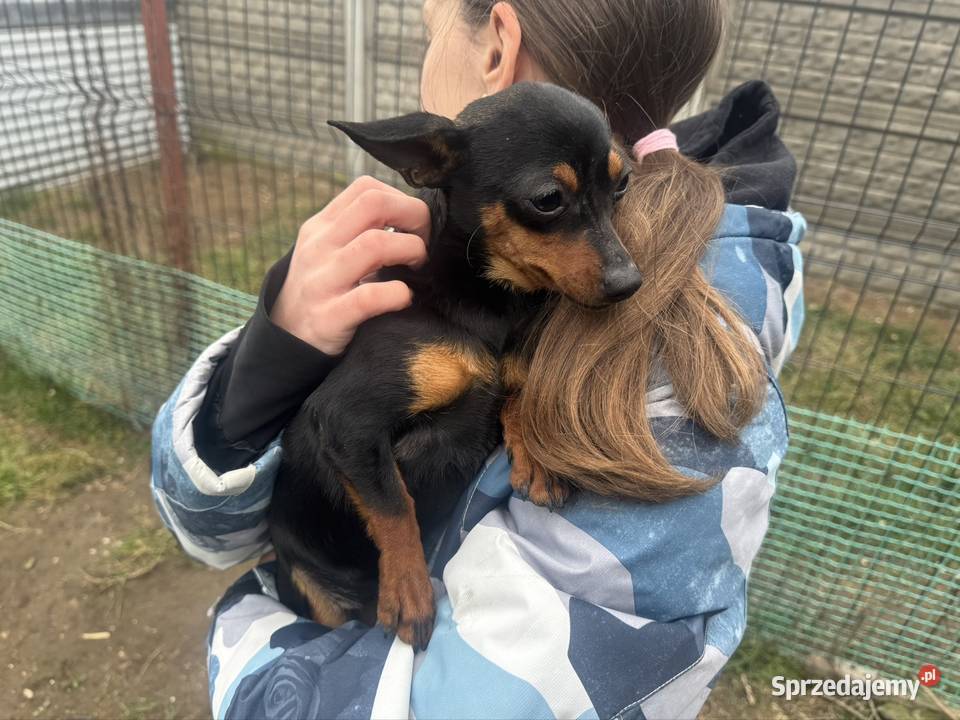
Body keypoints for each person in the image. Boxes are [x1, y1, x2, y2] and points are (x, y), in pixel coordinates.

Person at [150, 0, 805, 717]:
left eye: (427, 31)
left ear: (498, 45)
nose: (617, 266)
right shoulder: (450, 259)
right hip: (327, 555)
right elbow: (223, 527)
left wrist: (246, 625)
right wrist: (258, 370)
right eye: (550, 201)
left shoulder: (675, 360)